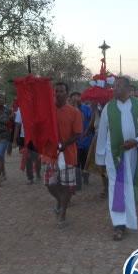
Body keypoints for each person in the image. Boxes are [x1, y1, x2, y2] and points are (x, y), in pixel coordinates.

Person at [95, 76, 138, 240]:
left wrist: (137, 141)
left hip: (133, 154)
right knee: (116, 188)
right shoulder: (109, 108)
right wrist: (100, 159)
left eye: (119, 86)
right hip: (114, 156)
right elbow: (102, 134)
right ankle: (119, 225)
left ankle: (128, 220)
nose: (115, 88)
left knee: (128, 188)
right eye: (114, 85)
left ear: (129, 89)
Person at [43, 82, 82, 228]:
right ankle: (60, 201)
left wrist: (64, 145)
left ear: (67, 94)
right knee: (50, 184)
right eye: (56, 91)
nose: (58, 94)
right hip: (50, 154)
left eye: (61, 91)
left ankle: (63, 213)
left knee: (66, 186)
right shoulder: (48, 110)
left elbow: (78, 133)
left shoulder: (74, 112)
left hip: (68, 155)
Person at [70, 91, 93, 189]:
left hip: (86, 140)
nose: (76, 98)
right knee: (76, 162)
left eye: (78, 96)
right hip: (75, 141)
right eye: (74, 96)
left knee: (85, 161)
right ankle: (78, 182)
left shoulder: (87, 108)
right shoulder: (69, 109)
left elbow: (86, 120)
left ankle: (86, 178)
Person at [13, 107, 41, 185]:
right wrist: (15, 140)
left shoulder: (38, 105)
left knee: (37, 157)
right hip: (25, 136)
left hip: (37, 136)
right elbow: (18, 124)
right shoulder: (21, 108)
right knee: (28, 157)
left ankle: (38, 173)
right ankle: (30, 177)